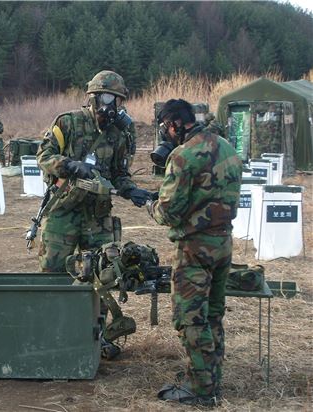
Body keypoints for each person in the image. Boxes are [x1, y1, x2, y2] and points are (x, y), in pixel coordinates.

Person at [36, 70, 151, 357]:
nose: (111, 105)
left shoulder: (120, 133)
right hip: (63, 211)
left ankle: (96, 337)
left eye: (117, 100)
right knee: (54, 274)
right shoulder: (68, 122)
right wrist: (70, 166)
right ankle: (51, 335)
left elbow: (119, 175)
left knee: (102, 276)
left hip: (98, 216)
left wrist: (132, 191)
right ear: (93, 97)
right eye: (107, 98)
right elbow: (44, 157)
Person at [147, 99, 242, 406]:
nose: (166, 133)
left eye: (165, 127)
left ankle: (201, 390)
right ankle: (212, 377)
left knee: (190, 318)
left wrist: (151, 206)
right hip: (223, 244)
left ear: (175, 123)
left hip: (195, 249)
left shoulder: (182, 155)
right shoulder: (226, 146)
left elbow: (170, 212)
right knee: (213, 313)